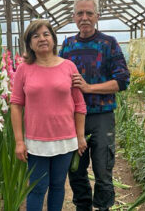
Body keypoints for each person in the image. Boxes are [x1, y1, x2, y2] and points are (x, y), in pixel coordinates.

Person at [59, 0, 130, 211]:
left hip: (101, 116)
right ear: (73, 17)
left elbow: (122, 80)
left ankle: (103, 207)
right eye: (80, 13)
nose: (84, 17)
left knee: (103, 168)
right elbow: (57, 75)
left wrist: (89, 88)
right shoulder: (68, 45)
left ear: (97, 16)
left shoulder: (108, 43)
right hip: (72, 118)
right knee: (76, 170)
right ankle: (83, 207)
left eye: (89, 13)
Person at [10, 19, 87, 211]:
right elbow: (16, 105)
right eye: (35, 36)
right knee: (37, 188)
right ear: (29, 43)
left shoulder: (69, 67)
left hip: (65, 139)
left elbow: (79, 104)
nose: (42, 39)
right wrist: (19, 141)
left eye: (46, 34)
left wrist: (80, 136)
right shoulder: (23, 69)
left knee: (57, 186)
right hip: (36, 141)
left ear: (53, 39)